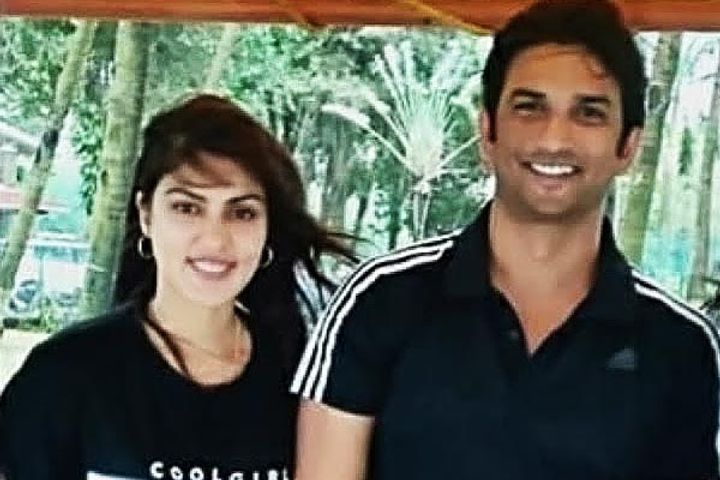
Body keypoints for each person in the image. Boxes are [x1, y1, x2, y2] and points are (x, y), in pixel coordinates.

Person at [290, 1, 720, 478]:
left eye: (589, 113)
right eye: (529, 107)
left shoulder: (680, 344)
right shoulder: (379, 301)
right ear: (487, 132)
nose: (554, 139)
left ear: (629, 146)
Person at [0, 94, 354, 480]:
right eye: (187, 207)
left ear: (268, 227)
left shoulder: (304, 377)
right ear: (146, 214)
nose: (215, 239)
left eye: (242, 212)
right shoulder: (64, 375)